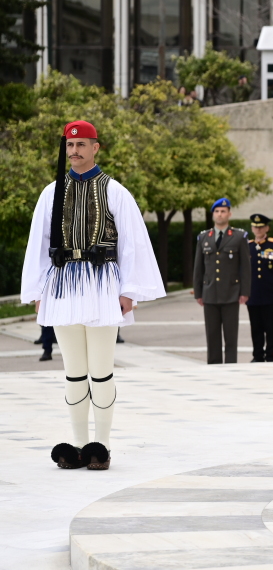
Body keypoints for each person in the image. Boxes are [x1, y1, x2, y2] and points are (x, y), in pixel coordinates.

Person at [21, 120, 165, 470]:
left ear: (95, 147)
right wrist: (39, 291)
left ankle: (102, 445)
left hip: (102, 285)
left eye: (82, 144)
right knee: (73, 371)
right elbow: (40, 244)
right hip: (63, 285)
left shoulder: (115, 191)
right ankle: (78, 444)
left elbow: (131, 243)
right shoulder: (51, 192)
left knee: (101, 371)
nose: (75, 151)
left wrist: (128, 290)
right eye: (70, 146)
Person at [193, 198, 251, 364]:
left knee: (231, 335)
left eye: (223, 211)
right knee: (212, 334)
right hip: (210, 293)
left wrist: (245, 291)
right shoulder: (204, 237)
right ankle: (214, 365)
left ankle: (231, 365)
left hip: (231, 292)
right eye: (217, 211)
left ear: (229, 214)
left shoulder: (239, 237)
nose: (220, 214)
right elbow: (198, 268)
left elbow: (245, 267)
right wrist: (198, 292)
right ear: (213, 215)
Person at [246, 214, 273, 363]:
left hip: (270, 294)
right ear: (252, 228)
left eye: (261, 227)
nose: (258, 230)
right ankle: (257, 355)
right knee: (255, 327)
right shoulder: (247, 247)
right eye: (255, 227)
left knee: (270, 327)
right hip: (252, 294)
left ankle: (270, 355)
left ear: (267, 228)